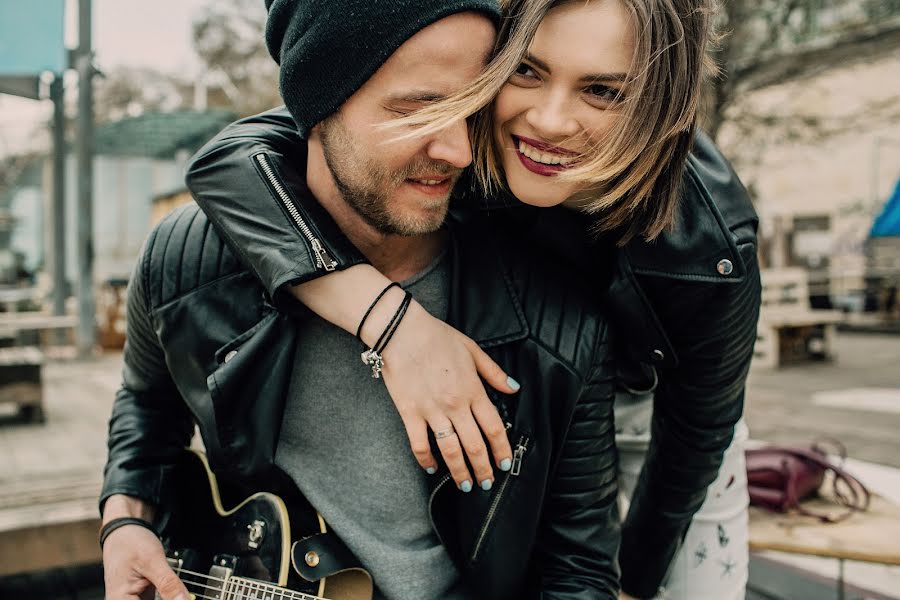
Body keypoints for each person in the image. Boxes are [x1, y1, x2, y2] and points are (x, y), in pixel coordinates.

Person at [185, 0, 762, 598]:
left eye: (602, 91)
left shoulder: (712, 251)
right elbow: (232, 161)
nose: (550, 120)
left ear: (656, 103)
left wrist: (638, 581)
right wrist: (393, 324)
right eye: (527, 71)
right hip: (528, 388)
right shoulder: (460, 133)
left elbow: (697, 434)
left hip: (648, 413)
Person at [100, 1, 623, 599]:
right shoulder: (186, 258)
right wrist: (124, 520)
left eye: (471, 111)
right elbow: (146, 401)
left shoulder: (559, 319)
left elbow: (578, 572)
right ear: (318, 105)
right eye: (417, 111)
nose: (459, 151)